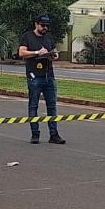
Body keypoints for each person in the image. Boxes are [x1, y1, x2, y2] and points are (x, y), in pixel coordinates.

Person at [18, 14, 66, 145]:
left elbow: (55, 52)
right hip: (34, 76)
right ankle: (35, 134)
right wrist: (37, 53)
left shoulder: (48, 37)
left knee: (52, 106)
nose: (45, 28)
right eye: (42, 25)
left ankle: (54, 134)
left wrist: (53, 55)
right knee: (33, 105)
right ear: (36, 24)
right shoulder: (27, 37)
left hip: (49, 76)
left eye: (47, 26)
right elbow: (21, 53)